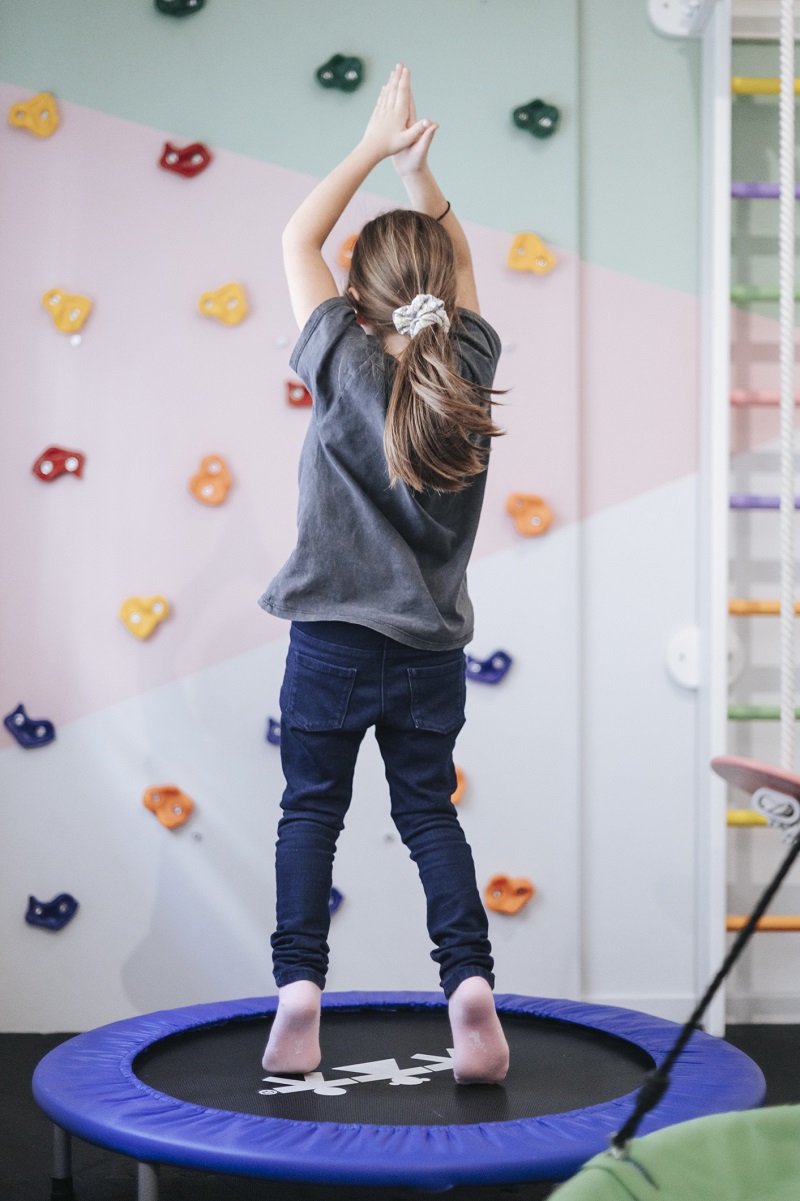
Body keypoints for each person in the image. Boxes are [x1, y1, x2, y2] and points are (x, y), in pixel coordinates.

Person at [259, 64, 509, 1085]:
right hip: (428, 654)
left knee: (309, 813)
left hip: (327, 640)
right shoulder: (469, 367)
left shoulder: (338, 359)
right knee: (427, 814)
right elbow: (459, 268)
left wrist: (372, 147)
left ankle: (298, 991)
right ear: (443, 295)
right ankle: (468, 983)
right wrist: (420, 177)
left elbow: (297, 239)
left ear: (354, 300)